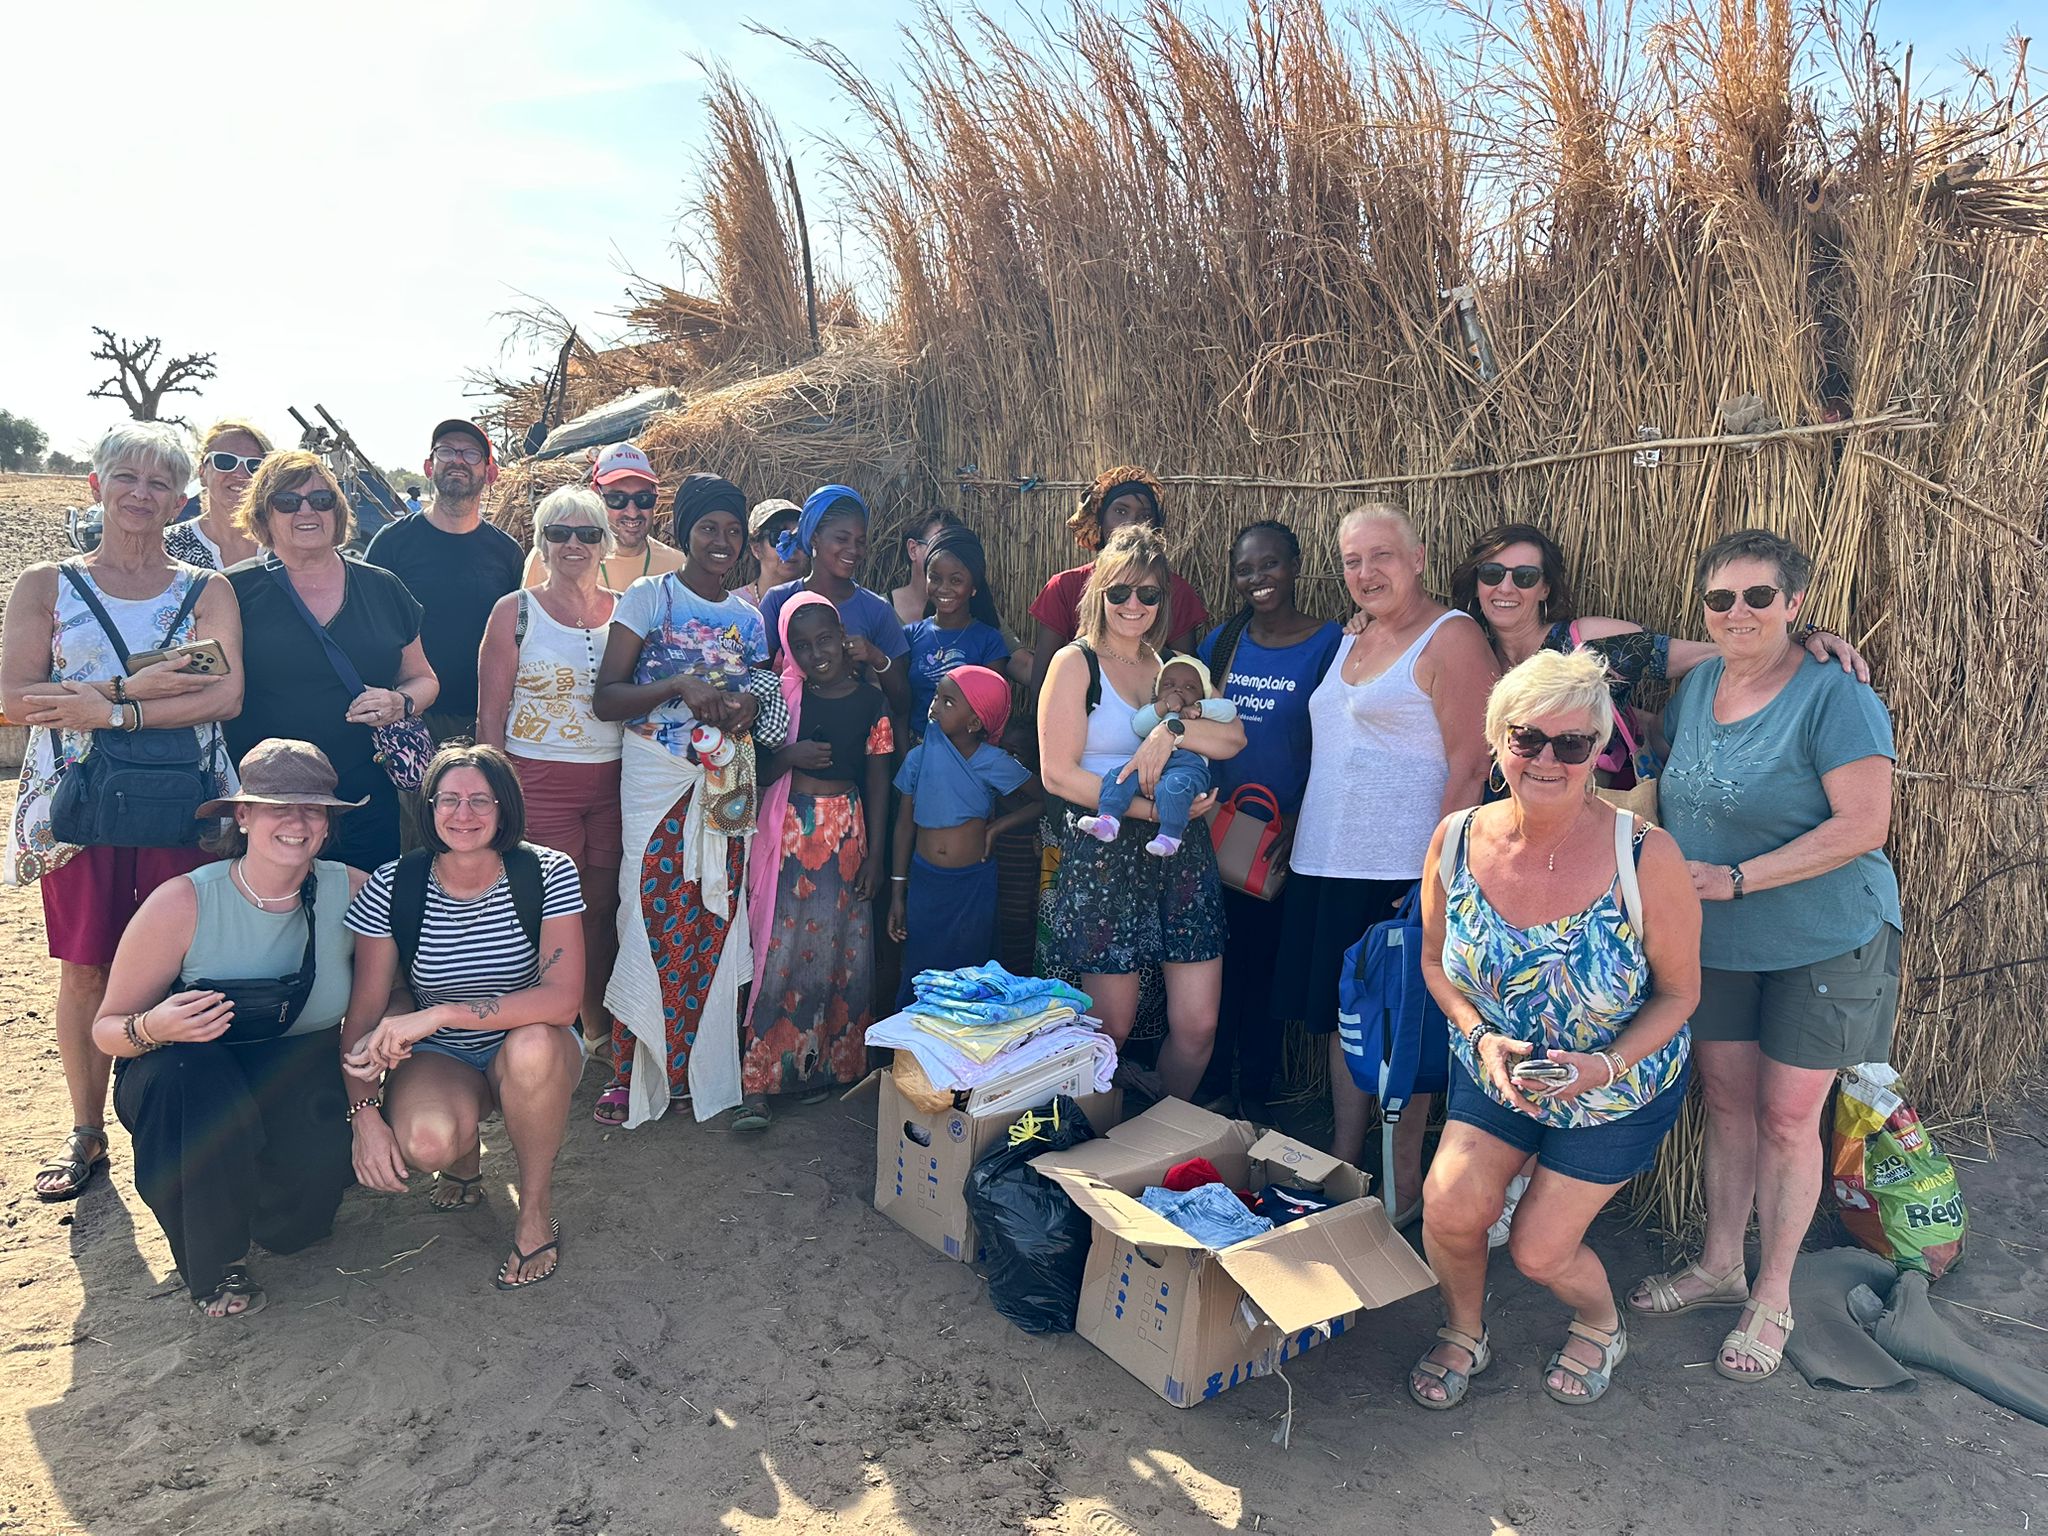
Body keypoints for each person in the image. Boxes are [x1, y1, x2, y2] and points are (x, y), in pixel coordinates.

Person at [1626, 528, 1901, 1385]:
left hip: (1823, 938)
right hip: (1721, 941)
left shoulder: (1834, 694)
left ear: (1796, 603)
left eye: (1759, 597)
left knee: (1787, 1117)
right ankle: (1721, 1266)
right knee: (1727, 1102)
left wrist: (1738, 879)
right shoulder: (1700, 685)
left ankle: (1773, 1293)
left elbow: (1864, 825)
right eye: (1721, 598)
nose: (1738, 612)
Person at [1405, 650, 1700, 1408]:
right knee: (1450, 1205)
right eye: (1527, 738)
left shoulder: (1644, 854)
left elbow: (1680, 995)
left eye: (1571, 744)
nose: (1546, 759)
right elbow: (1436, 963)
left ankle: (1600, 1320)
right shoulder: (1456, 839)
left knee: (1540, 1250)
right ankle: (1464, 1327)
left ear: (1597, 751)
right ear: (1497, 739)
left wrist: (1603, 1066)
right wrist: (1479, 1039)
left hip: (1615, 1088)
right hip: (1498, 1070)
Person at [2, 422, 245, 1203]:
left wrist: (111, 708)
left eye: (160, 482)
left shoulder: (206, 590)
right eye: (127, 478)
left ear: (180, 500)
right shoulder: (47, 585)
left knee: (188, 963)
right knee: (86, 968)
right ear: (96, 486)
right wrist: (133, 692)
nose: (142, 494)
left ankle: (181, 1123)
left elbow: (225, 695)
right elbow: (14, 698)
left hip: (184, 803)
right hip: (79, 811)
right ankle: (86, 1128)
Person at [91, 740, 369, 1317]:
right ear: (242, 815)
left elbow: (391, 989)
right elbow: (107, 1029)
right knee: (188, 1078)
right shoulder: (183, 902)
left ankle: (255, 1189)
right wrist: (154, 1026)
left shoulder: (354, 890)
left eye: (313, 809)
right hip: (191, 1075)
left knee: (298, 1232)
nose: (297, 823)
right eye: (277, 807)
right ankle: (214, 1259)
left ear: (327, 823)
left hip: (295, 1067)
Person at [1277, 505, 1497, 1210]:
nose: (1367, 572)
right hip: (1326, 864)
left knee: (1403, 1031)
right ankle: (1347, 1165)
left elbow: (1472, 765)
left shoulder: (1452, 636)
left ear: (1419, 557)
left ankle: (1401, 1193)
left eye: (1383, 556)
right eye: (1353, 561)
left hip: (1399, 870)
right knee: (1349, 1021)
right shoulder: (1355, 636)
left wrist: (1437, 874)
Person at [341, 744, 586, 1290]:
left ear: (505, 807)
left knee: (532, 1048)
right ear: (429, 807)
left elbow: (563, 1001)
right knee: (425, 1144)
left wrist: (441, 1012)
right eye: (448, 799)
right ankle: (463, 1157)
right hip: (442, 1054)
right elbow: (363, 1014)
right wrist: (364, 1115)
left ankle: (534, 1209)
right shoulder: (393, 884)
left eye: (481, 800)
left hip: (530, 1043)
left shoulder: (547, 871)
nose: (464, 814)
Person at [1037, 527, 1243, 1100]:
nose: (1134, 605)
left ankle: (1156, 1134)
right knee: (1112, 1027)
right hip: (1107, 851)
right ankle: (1090, 1137)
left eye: (1148, 594)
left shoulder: (1176, 666)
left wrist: (1169, 731)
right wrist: (1150, 810)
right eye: (1120, 591)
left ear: (1163, 600)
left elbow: (1232, 738)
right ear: (1098, 592)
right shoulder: (1075, 662)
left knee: (1198, 1026)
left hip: (1182, 854)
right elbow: (1058, 774)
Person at [592, 473, 770, 1129]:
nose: (722, 541)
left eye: (733, 531)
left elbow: (759, 698)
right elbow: (606, 698)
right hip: (657, 774)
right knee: (646, 912)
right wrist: (677, 685)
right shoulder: (650, 597)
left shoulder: (749, 619)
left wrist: (747, 706)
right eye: (708, 528)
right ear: (685, 532)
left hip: (726, 778)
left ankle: (698, 1067)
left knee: (714, 914)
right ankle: (630, 1070)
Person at [1447, 522, 1869, 786]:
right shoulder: (1468, 656)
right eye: (1492, 573)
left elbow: (1717, 651)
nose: (1506, 588)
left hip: (1596, 817)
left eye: (1524, 576)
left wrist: (1800, 639)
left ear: (1545, 588)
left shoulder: (1589, 642)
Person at [225, 452, 438, 874]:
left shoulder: (382, 587)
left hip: (363, 799)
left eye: (321, 500)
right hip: (269, 803)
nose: (306, 511)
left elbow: (424, 679)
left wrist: (400, 702)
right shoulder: (232, 589)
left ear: (337, 512)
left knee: (364, 910)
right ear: (264, 515)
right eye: (287, 501)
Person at [1194, 520, 1342, 1116]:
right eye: (1245, 569)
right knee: (1213, 964)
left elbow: (1338, 742)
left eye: (1270, 564)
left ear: (1296, 566)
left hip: (1280, 840)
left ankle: (1255, 1094)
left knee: (1263, 971)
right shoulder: (1222, 643)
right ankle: (1209, 1090)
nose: (1258, 578)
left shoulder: (1329, 643)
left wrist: (1305, 816)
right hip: (1215, 831)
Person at [478, 486, 624, 1057]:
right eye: (559, 533)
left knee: (604, 905)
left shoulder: (627, 608)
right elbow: (491, 713)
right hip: (537, 779)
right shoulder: (515, 611)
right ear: (541, 542)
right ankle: (554, 1025)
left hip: (615, 780)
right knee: (551, 908)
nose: (573, 544)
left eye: (587, 533)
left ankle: (600, 1024)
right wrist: (494, 792)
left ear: (605, 542)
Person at [743, 594, 893, 1125]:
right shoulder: (782, 698)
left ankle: (818, 1068)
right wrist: (790, 755)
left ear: (842, 636)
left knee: (837, 949)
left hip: (847, 834)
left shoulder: (872, 702)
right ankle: (759, 1079)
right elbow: (756, 771)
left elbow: (879, 782)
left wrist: (875, 856)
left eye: (824, 639)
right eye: (801, 646)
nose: (815, 654)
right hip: (789, 832)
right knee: (779, 950)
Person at [364, 418, 523, 748]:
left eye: (471, 454)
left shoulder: (507, 553)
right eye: (447, 451)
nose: (458, 460)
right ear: (429, 466)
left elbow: (518, 640)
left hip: (481, 719)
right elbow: (366, 626)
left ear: (490, 474)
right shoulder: (391, 544)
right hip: (407, 717)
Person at [887, 667, 1040, 1005]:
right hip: (926, 882)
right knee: (921, 969)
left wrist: (998, 826)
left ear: (974, 723)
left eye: (948, 701)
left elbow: (1043, 799)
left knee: (970, 972)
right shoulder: (917, 759)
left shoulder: (993, 761)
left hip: (972, 885)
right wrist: (898, 890)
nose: (934, 706)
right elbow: (904, 825)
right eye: (936, 697)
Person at [1027, 467, 1208, 696]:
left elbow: (1188, 681)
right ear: (1099, 520)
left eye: (1144, 515)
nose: (1132, 523)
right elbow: (1042, 685)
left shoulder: (1176, 591)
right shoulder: (1064, 587)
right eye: (1120, 511)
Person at [757, 484, 911, 717]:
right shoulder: (780, 601)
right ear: (814, 538)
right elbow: (755, 679)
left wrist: (876, 657)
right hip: (793, 732)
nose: (853, 550)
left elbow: (902, 702)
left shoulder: (877, 610)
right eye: (842, 539)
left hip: (855, 734)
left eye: (860, 541)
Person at [1077, 655, 1236, 858]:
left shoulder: (1205, 712)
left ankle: (1170, 836)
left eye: (1190, 687)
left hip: (1187, 767)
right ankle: (1108, 819)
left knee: (1172, 787)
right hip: (1150, 765)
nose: (1178, 690)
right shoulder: (1156, 711)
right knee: (1119, 776)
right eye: (1169, 685)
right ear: (1158, 692)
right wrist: (1163, 706)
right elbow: (1139, 726)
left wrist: (1200, 708)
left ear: (1202, 694)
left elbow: (1229, 710)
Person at [901, 522, 1019, 734]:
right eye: (935, 578)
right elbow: (900, 707)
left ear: (973, 587)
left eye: (955, 580)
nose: (944, 588)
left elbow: (989, 710)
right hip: (917, 748)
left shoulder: (989, 641)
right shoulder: (911, 635)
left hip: (966, 750)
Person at [519, 442, 685, 592]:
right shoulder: (553, 558)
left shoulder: (678, 568)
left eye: (643, 499)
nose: (632, 512)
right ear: (595, 494)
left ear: (656, 495)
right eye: (617, 499)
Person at [165, 418, 269, 571]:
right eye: (225, 461)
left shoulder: (284, 546)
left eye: (254, 465)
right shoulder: (167, 545)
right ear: (202, 473)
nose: (240, 474)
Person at [890, 508, 964, 624]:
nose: (947, 558)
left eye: (953, 549)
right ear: (913, 550)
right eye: (938, 546)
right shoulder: (878, 608)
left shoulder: (970, 611)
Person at [742, 498, 808, 607]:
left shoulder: (820, 602)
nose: (791, 548)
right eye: (778, 537)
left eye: (798, 537)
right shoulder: (736, 606)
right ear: (756, 549)